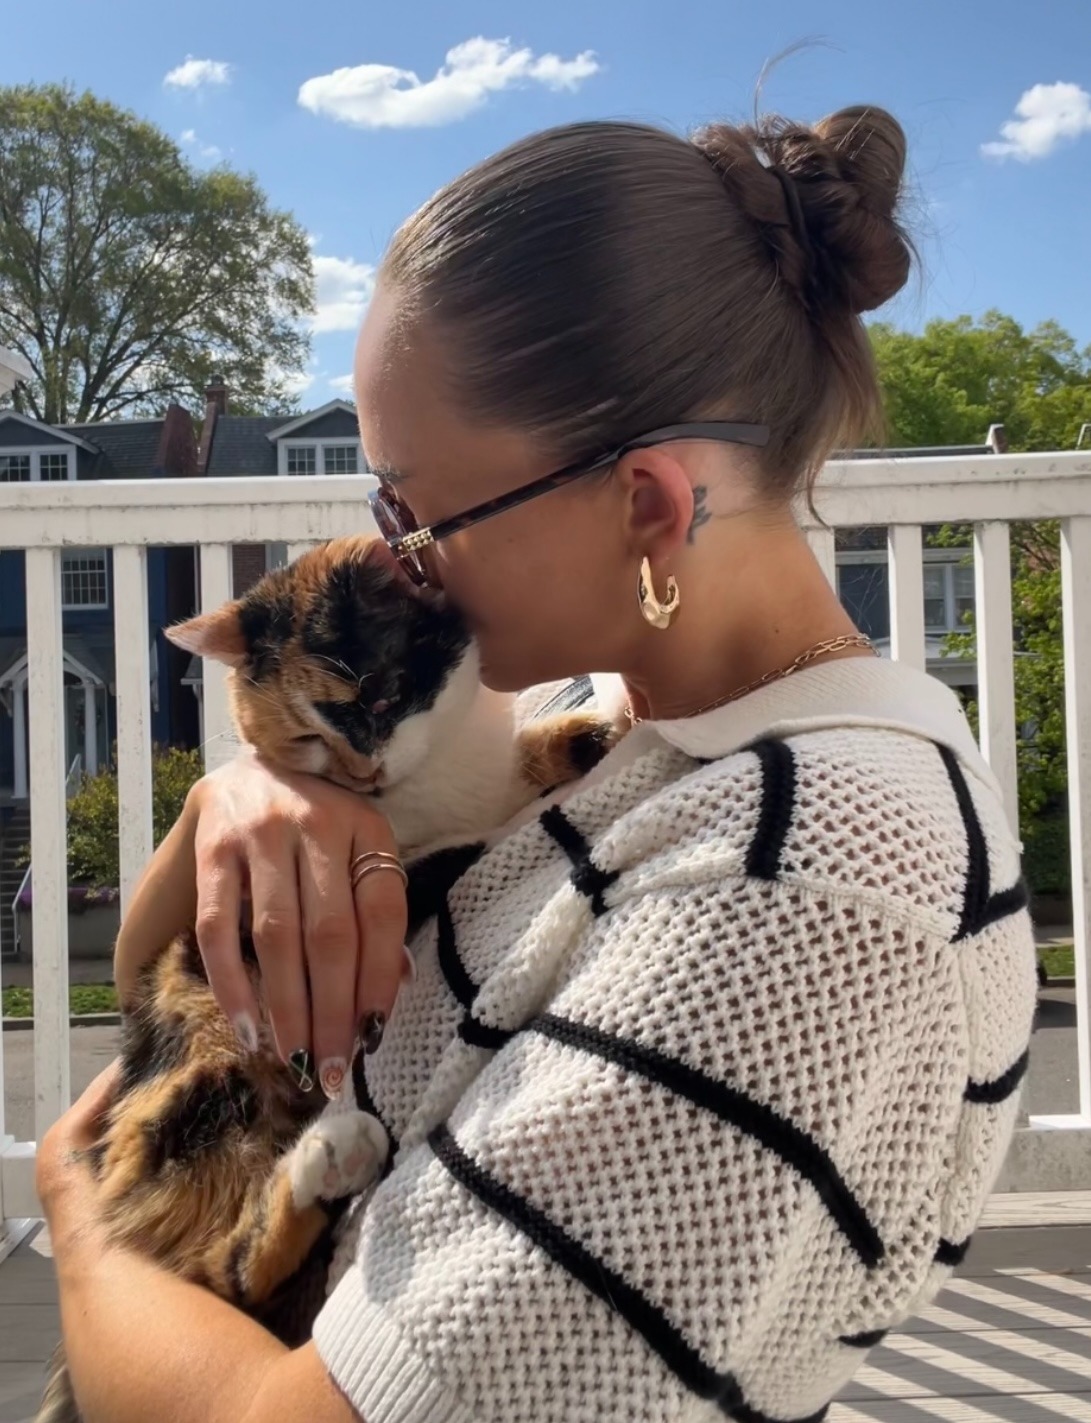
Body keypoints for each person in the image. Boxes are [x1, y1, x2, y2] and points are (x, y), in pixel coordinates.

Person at [38, 104, 1036, 1423]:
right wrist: (244, 797)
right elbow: (148, 975)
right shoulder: (626, 730)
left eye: (416, 509)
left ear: (647, 507)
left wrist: (75, 1217)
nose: (395, 559)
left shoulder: (812, 880)